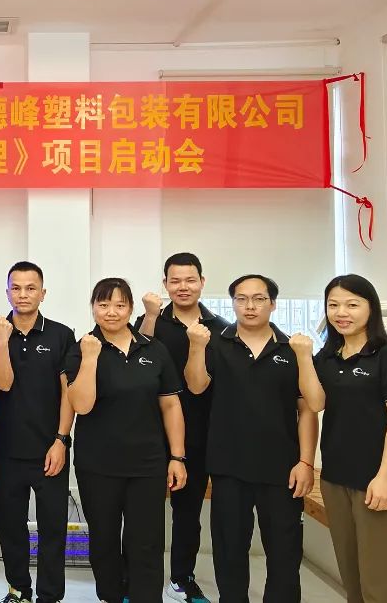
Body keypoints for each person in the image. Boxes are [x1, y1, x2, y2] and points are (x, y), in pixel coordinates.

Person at [184, 274, 320, 603]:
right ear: (233, 303)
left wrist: (306, 462)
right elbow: (196, 386)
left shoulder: (292, 349)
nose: (250, 306)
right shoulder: (216, 343)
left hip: (282, 469)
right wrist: (196, 347)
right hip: (228, 466)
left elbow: (309, 408)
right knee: (229, 550)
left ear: (273, 304)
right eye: (241, 299)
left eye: (259, 299)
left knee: (285, 552)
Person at [66, 277, 187, 603]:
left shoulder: (153, 349)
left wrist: (177, 457)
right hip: (97, 465)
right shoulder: (81, 348)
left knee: (146, 541)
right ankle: (112, 596)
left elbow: (171, 404)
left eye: (120, 305)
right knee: (104, 540)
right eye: (103, 304)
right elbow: (81, 405)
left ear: (131, 308)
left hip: (147, 464)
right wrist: (90, 358)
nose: (111, 312)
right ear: (93, 307)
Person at [310, 274, 387, 603]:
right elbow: (315, 404)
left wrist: (385, 479)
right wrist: (302, 357)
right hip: (335, 479)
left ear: (371, 308)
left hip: (378, 482)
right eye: (333, 305)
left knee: (380, 586)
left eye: (352, 304)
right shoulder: (326, 358)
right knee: (353, 582)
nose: (341, 312)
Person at [136, 252, 229, 603]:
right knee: (143, 511)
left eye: (190, 280)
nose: (183, 287)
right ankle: (137, 580)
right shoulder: (151, 321)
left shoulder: (220, 328)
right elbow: (135, 355)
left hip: (199, 434)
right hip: (148, 433)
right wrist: (149, 315)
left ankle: (181, 579)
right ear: (165, 284)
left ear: (202, 282)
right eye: (175, 281)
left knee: (188, 512)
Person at [0, 261, 75, 603]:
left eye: (30, 288)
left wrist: (61, 440)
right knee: (10, 527)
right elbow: (3, 384)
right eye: (16, 288)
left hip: (50, 450)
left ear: (43, 293)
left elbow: (68, 394)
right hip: (8, 451)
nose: (23, 294)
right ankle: (19, 589)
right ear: (7, 292)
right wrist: (2, 340)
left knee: (53, 530)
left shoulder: (61, 335)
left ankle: (50, 596)